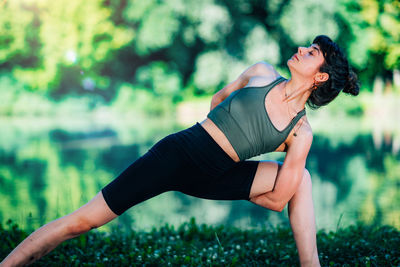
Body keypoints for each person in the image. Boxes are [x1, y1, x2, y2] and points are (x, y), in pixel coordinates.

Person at [0, 35, 359, 267]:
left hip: (217, 175)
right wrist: (232, 136)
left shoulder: (300, 132)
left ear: (321, 77)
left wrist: (234, 154)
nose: (301, 50)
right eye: (307, 46)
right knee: (83, 221)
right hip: (177, 155)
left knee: (303, 180)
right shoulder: (262, 73)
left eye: (311, 53)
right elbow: (217, 100)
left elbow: (281, 200)